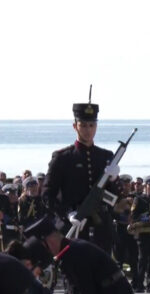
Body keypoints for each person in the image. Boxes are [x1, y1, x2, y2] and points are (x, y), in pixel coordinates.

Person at [44, 93, 120, 254]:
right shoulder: (63, 158)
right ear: (75, 126)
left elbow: (115, 197)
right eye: (83, 125)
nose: (88, 130)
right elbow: (47, 195)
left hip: (102, 230)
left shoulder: (105, 156)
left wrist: (114, 180)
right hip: (75, 228)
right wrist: (67, 214)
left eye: (92, 125)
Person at [128, 175, 150, 292]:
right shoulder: (139, 199)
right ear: (145, 186)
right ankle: (139, 283)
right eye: (149, 186)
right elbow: (133, 217)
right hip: (143, 233)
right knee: (142, 259)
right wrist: (147, 219)